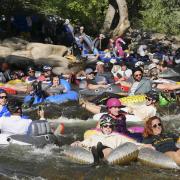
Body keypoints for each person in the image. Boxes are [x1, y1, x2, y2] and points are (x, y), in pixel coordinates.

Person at [71, 114, 138, 163]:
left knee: (107, 149)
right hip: (93, 150)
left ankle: (100, 154)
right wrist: (78, 143)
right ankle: (97, 154)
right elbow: (84, 143)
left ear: (112, 127)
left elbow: (132, 143)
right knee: (92, 147)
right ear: (102, 128)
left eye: (110, 126)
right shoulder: (94, 136)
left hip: (108, 151)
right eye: (105, 126)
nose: (108, 128)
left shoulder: (117, 136)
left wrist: (144, 145)